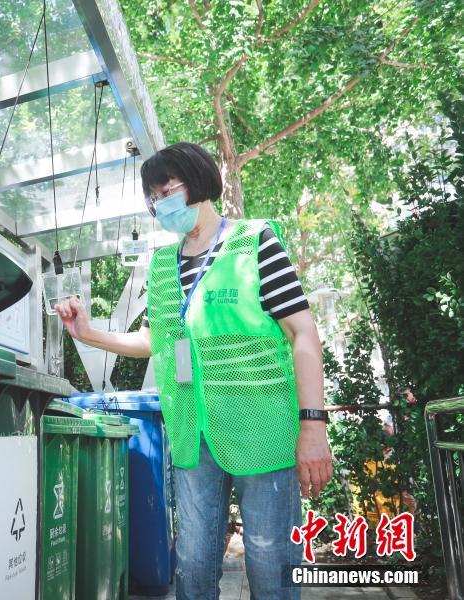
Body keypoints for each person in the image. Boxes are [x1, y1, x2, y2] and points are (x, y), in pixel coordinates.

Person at [54, 142, 333, 599]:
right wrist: (88, 334)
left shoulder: (255, 241)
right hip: (191, 434)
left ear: (200, 182)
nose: (160, 202)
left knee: (271, 564)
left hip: (263, 432)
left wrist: (313, 425)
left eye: (168, 189)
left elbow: (303, 333)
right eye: (153, 196)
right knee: (193, 566)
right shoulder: (162, 265)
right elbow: (154, 341)